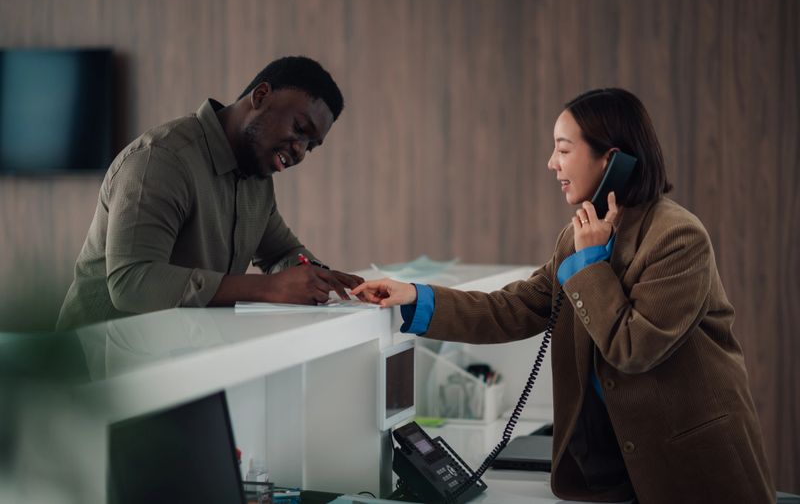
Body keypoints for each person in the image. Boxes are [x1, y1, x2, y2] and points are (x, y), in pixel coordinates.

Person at [353, 89, 775, 503]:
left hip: (690, 467)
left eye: (563, 149)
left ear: (612, 161)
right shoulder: (577, 239)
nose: (551, 163)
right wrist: (413, 297)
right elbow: (515, 308)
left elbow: (634, 348)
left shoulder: (677, 237)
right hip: (613, 473)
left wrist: (591, 264)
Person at [57, 56, 363, 331]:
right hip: (93, 375)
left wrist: (323, 279)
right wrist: (268, 288)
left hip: (176, 362)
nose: (300, 151)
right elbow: (132, 283)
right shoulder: (161, 159)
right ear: (261, 96)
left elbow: (281, 253)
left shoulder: (256, 175)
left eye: (311, 145)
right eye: (299, 128)